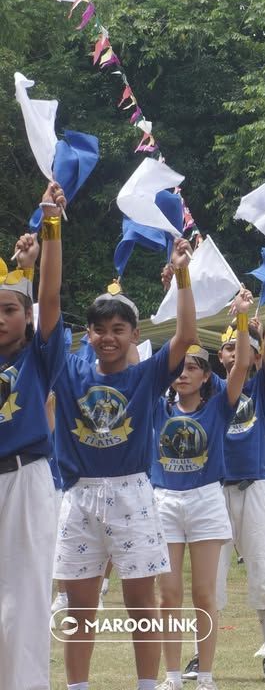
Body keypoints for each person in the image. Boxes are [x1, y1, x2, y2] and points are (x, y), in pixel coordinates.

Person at [53, 236, 196, 690]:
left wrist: (183, 275)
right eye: (99, 329)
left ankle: (147, 685)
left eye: (119, 329)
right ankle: (77, 687)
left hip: (132, 495)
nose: (108, 337)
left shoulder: (145, 376)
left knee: (141, 602)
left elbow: (187, 336)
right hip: (78, 496)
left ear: (135, 335)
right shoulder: (67, 370)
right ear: (87, 335)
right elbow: (48, 308)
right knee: (80, 606)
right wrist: (51, 242)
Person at [153, 288, 252, 690]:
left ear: (206, 375)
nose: (183, 372)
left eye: (192, 367)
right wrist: (173, 287)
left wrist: (242, 320)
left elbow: (242, 365)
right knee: (168, 595)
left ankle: (206, 675)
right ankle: (173, 676)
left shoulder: (218, 406)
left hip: (207, 499)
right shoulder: (156, 408)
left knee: (203, 593)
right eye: (179, 366)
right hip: (164, 501)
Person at [198, 261, 265, 682]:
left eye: (246, 346)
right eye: (233, 347)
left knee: (263, 569)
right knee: (208, 579)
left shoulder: (262, 387)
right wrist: (238, 319)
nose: (241, 352)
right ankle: (203, 656)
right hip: (214, 490)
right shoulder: (212, 389)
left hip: (255, 486)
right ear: (222, 355)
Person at [0, 183, 65, 690]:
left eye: (10, 310)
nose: (2, 319)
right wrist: (20, 263)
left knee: (23, 599)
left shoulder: (37, 355)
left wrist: (50, 229)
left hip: (26, 480)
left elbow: (47, 294)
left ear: (27, 318)